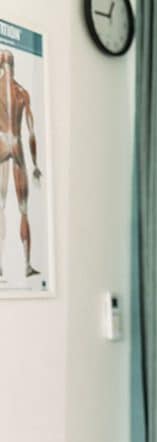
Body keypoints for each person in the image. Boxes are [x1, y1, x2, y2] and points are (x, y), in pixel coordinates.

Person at [0, 49, 44, 282]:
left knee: (2, 207)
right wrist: (35, 163)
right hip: (16, 145)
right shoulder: (22, 92)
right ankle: (26, 264)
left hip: (1, 144)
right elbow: (31, 133)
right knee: (22, 209)